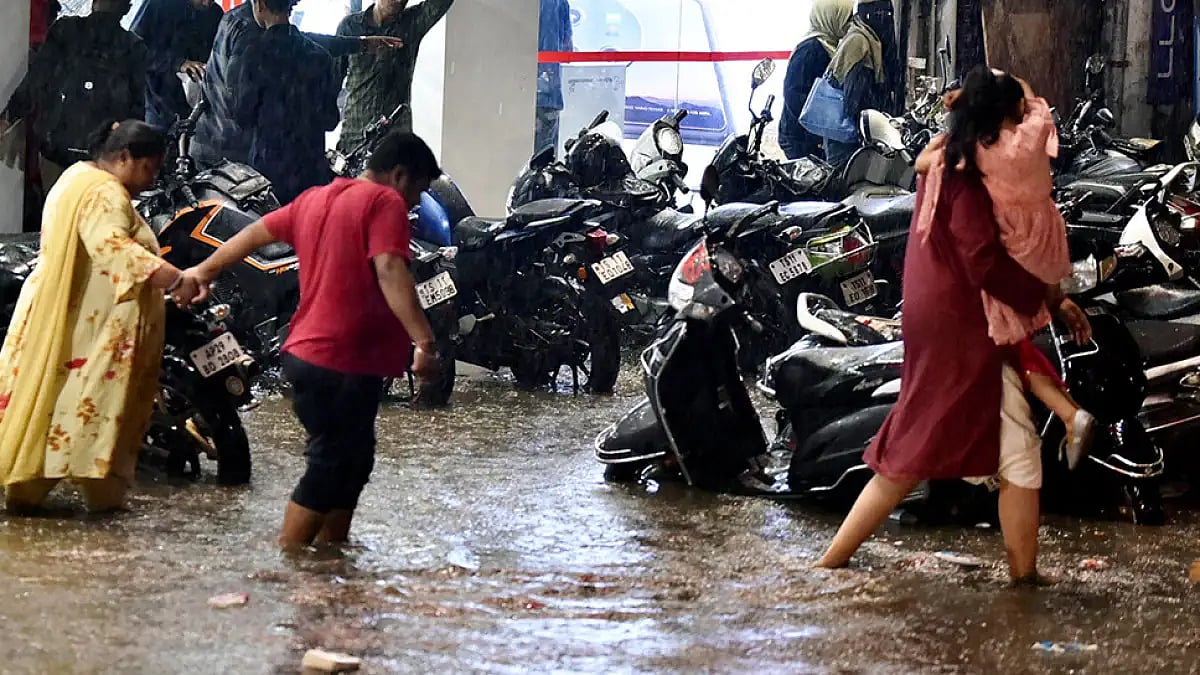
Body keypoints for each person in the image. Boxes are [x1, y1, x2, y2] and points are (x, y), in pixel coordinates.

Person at [815, 67, 1093, 583]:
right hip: (968, 324)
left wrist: (1052, 303)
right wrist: (1043, 299)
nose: (1018, 129)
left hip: (941, 316)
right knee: (988, 454)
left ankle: (834, 563)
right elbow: (984, 261)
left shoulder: (947, 153)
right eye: (1011, 119)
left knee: (915, 445)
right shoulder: (968, 171)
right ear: (999, 121)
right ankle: (1023, 581)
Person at [177, 131, 442, 549]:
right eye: (418, 192)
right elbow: (390, 268)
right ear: (400, 175)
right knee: (329, 466)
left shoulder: (315, 198)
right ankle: (292, 563)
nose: (414, 205)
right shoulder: (384, 201)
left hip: (310, 357)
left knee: (353, 461)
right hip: (341, 360)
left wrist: (203, 272)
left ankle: (332, 557)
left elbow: (253, 235)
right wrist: (425, 344)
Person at [0, 120, 200, 513]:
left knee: (50, 398)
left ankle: (27, 495)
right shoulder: (106, 193)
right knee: (97, 407)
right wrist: (175, 278)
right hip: (91, 327)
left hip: (59, 312)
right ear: (124, 157)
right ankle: (103, 506)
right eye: (148, 167)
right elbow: (111, 246)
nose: (151, 178)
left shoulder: (77, 176)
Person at [916, 68, 1097, 469]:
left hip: (1013, 246)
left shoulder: (975, 155)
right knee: (1013, 347)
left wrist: (964, 106)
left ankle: (1064, 419)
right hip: (1047, 239)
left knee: (1002, 342)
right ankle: (1070, 414)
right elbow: (1032, 98)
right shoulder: (1032, 134)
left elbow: (922, 162)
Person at [192, 0, 402, 169]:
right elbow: (329, 118)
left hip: (247, 154)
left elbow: (294, 39)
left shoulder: (239, 20)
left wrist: (360, 43)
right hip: (227, 153)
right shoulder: (250, 39)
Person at [1, 0, 147, 190]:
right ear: (127, 9)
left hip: (61, 146)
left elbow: (37, 79)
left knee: (59, 210)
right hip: (98, 153)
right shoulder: (133, 47)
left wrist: (9, 116)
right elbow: (136, 108)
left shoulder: (66, 30)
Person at [230, 0, 341, 204]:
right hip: (311, 171)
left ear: (260, 5)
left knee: (272, 232)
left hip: (269, 170)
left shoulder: (254, 54)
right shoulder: (320, 56)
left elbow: (243, 116)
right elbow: (330, 119)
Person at [336, 0, 455, 150]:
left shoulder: (412, 23)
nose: (399, 0)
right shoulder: (350, 27)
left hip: (395, 143)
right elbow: (333, 78)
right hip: (355, 137)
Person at [130, 0, 225, 130]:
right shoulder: (158, 5)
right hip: (159, 108)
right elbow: (133, 51)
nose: (207, 3)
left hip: (199, 110)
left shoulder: (215, 14)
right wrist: (178, 63)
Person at [820, 0, 892, 167]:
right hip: (847, 136)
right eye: (881, 15)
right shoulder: (859, 42)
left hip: (846, 132)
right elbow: (855, 97)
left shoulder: (862, 37)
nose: (886, 20)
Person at [779, 0, 854, 160]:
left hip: (810, 135)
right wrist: (814, 130)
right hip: (800, 137)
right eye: (846, 19)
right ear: (831, 17)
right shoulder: (810, 49)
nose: (849, 24)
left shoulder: (828, 45)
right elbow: (793, 93)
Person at [535, 0, 573, 156]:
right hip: (549, 97)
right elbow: (567, 50)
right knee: (544, 161)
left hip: (519, 92)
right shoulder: (560, 2)